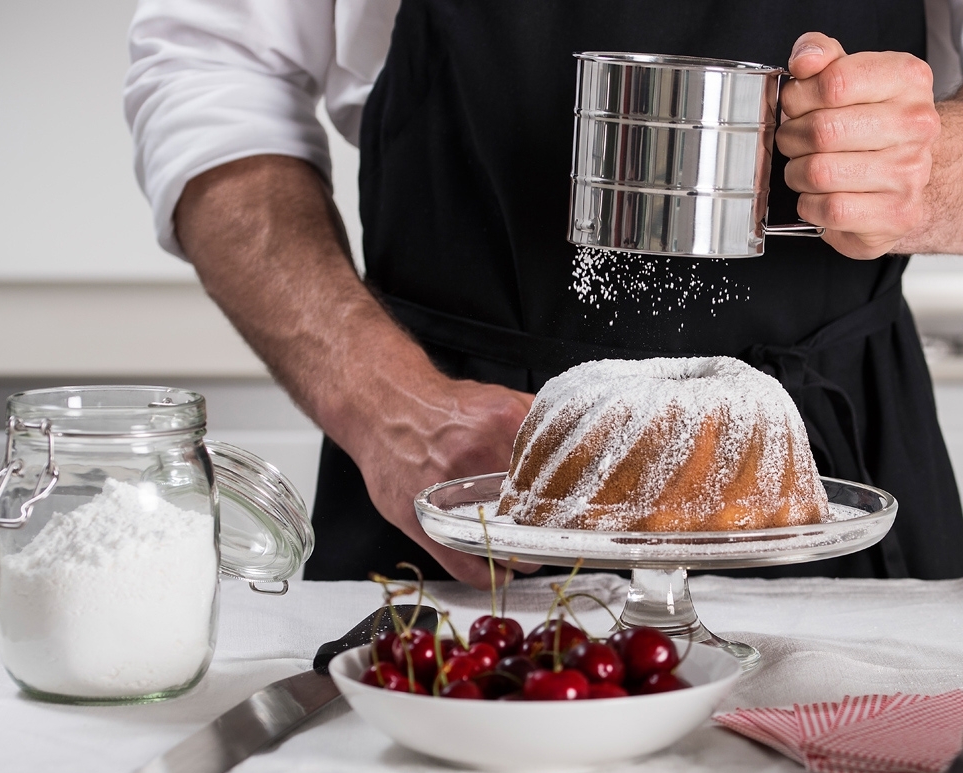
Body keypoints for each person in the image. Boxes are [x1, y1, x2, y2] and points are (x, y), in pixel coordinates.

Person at [126, 0, 963, 586]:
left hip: (823, 463)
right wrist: (381, 403)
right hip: (461, 470)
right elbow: (213, 74)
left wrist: (930, 174)